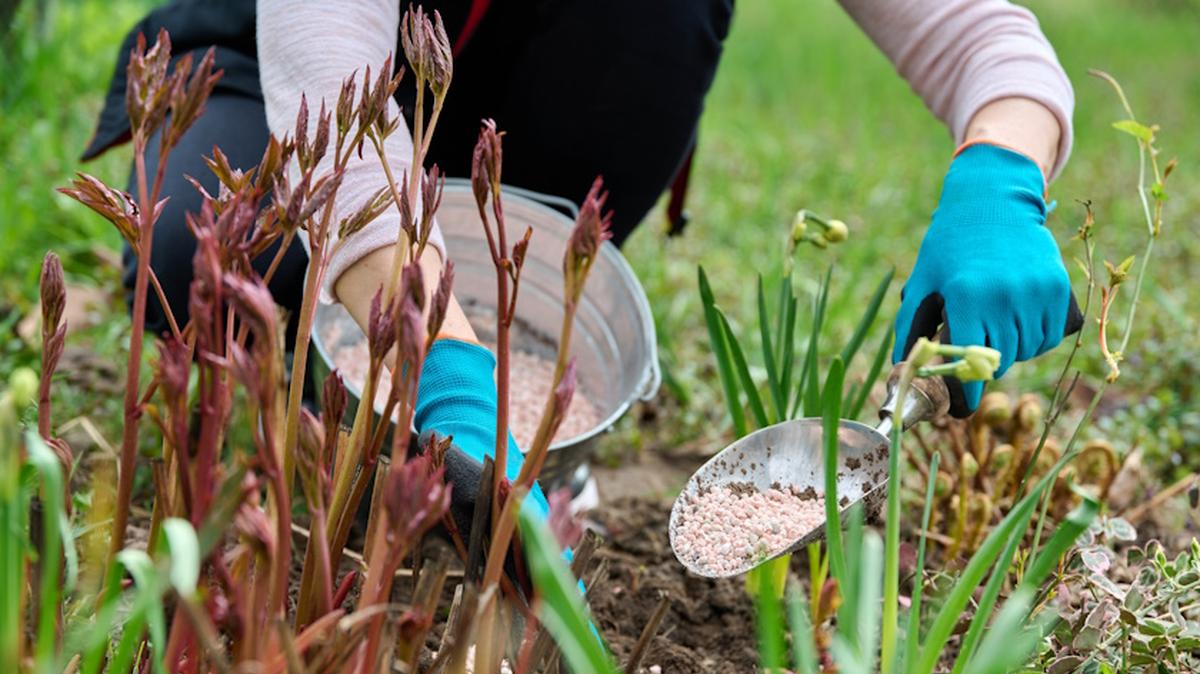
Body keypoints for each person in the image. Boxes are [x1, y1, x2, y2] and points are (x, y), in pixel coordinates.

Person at [86, 0, 1080, 519]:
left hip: (513, 143)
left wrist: (999, 181)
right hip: (279, 86)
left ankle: (523, 395)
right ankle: (332, 411)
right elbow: (323, 85)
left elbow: (986, 41)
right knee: (200, 254)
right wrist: (449, 367)